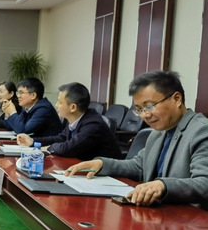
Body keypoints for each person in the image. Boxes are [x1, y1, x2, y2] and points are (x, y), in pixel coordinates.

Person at [66, 70, 208, 206]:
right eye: (139, 109)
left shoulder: (201, 130)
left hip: (190, 218)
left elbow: (204, 183)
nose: (145, 115)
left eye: (149, 106)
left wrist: (162, 185)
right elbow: (138, 166)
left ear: (177, 99)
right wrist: (101, 164)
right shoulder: (158, 132)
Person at [17, 82, 122, 159]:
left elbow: (68, 148)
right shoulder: (77, 118)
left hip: (109, 176)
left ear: (73, 107)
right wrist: (33, 141)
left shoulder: (93, 124)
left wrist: (48, 148)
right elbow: (60, 138)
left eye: (60, 102)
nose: (56, 105)